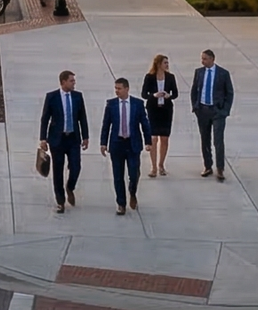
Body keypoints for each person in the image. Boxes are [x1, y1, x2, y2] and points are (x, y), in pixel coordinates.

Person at [37, 70, 90, 214]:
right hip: (57, 139)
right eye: (71, 81)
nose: (74, 83)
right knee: (58, 170)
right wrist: (43, 138)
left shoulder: (78, 97)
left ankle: (70, 187)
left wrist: (85, 137)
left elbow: (82, 118)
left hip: (73, 138)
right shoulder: (52, 97)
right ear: (63, 82)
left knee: (76, 166)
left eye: (74, 80)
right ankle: (60, 201)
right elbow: (45, 118)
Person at [98, 75, 148, 215]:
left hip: (132, 144)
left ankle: (132, 192)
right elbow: (106, 125)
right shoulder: (111, 104)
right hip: (117, 144)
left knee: (134, 173)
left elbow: (144, 123)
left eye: (119, 88)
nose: (117, 91)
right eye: (115, 88)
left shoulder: (137, 104)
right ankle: (121, 203)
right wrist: (103, 143)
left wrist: (148, 141)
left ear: (127, 89)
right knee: (118, 175)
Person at [189, 49, 234, 182]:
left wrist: (225, 111)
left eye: (205, 59)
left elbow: (229, 93)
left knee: (218, 141)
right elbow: (194, 90)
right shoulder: (199, 72)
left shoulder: (223, 73)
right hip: (202, 110)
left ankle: (220, 168)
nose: (202, 61)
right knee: (205, 139)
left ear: (212, 59)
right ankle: (207, 166)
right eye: (202, 59)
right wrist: (195, 106)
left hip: (217, 111)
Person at [142, 54, 179, 178]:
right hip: (153, 110)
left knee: (164, 138)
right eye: (165, 63)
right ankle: (153, 167)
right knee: (153, 139)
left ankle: (161, 164)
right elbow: (144, 94)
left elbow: (176, 93)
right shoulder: (149, 77)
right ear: (158, 64)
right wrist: (154, 95)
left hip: (166, 110)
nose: (167, 65)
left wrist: (169, 96)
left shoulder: (170, 77)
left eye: (167, 63)